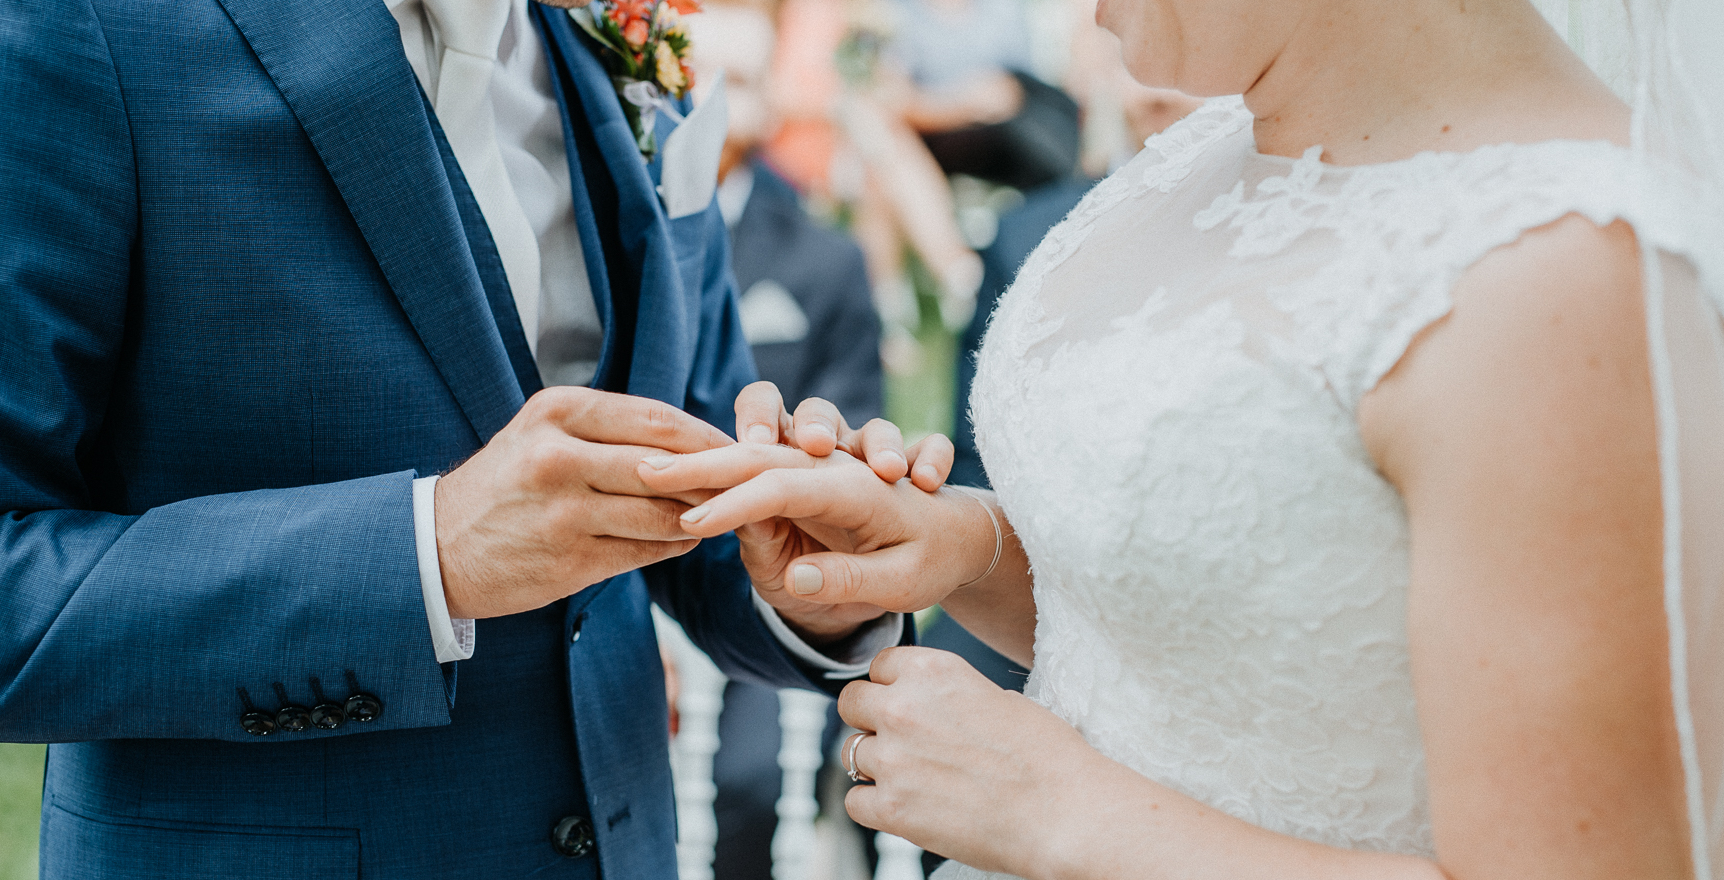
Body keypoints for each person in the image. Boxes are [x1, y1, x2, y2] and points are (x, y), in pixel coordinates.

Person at [0, 0, 938, 876]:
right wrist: (424, 555)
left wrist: (808, 580)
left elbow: (677, 483)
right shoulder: (49, 24)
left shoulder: (617, 34)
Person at [642, 0, 1724, 875]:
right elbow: (1245, 642)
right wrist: (954, 540)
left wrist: (1058, 812)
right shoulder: (1201, 157)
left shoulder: (1563, 272)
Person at [691, 5, 886, 875]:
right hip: (612, 580)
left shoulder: (823, 256)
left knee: (747, 785)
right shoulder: (615, 243)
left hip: (753, 571)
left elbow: (848, 412)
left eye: (746, 80)